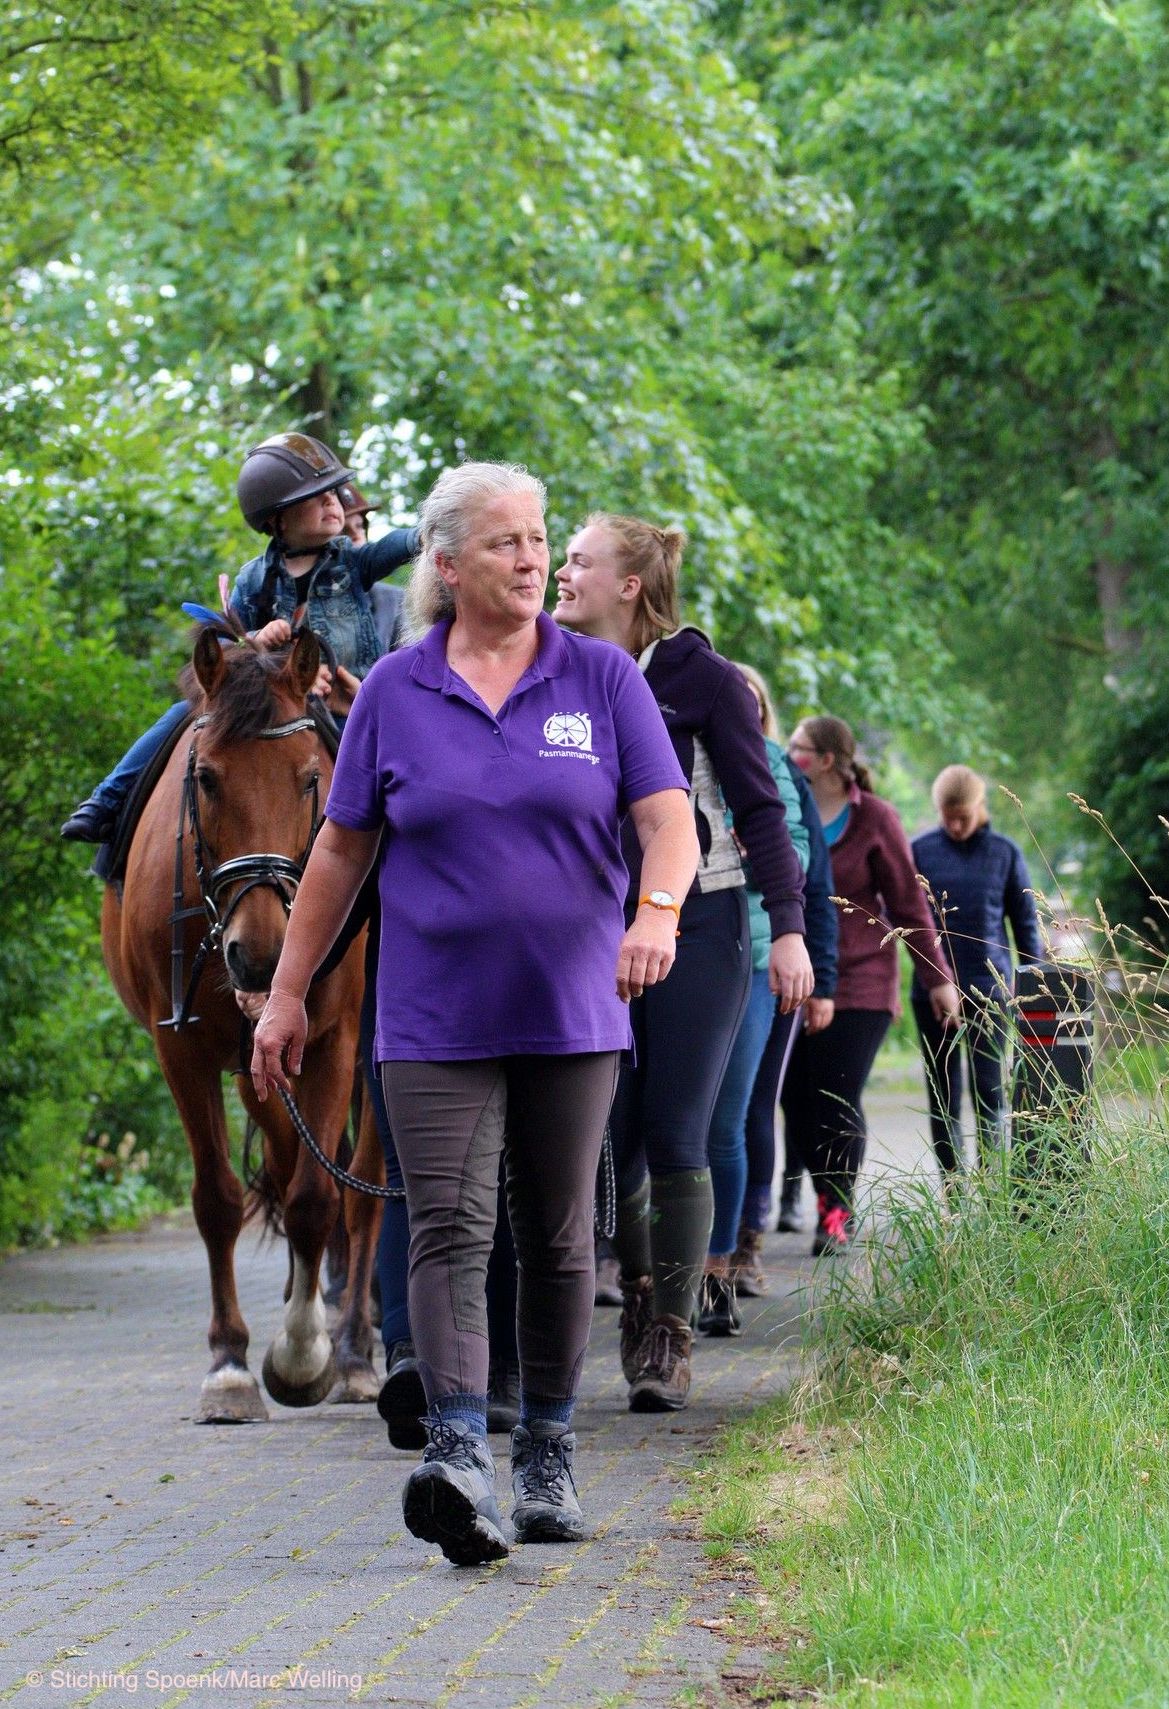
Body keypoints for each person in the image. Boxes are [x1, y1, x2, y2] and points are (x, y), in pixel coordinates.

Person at [251, 462, 698, 1566]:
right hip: (432, 1012)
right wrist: (292, 991)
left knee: (553, 1237)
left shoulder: (601, 679)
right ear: (445, 566)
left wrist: (655, 914)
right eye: (506, 542)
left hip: (573, 1007)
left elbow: (668, 820)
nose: (534, 558)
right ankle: (456, 1451)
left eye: (540, 539)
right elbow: (340, 852)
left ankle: (545, 1449)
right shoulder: (398, 690)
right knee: (450, 1227)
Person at [554, 516, 813, 1409]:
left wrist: (787, 927)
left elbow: (763, 811)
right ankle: (633, 1300)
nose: (558, 570)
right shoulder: (553, 667)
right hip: (590, 928)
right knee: (607, 1138)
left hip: (700, 927)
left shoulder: (700, 677)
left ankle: (667, 1330)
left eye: (578, 560)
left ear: (630, 584)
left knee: (677, 1130)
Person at [61, 433, 419, 841]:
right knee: (181, 715)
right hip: (276, 704)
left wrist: (432, 531)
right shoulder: (254, 578)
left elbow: (395, 546)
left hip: (347, 702)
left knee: (381, 775)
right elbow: (229, 650)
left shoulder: (354, 562)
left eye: (333, 493)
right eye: (314, 497)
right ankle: (109, 800)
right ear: (277, 519)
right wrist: (257, 639)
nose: (331, 503)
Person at [782, 715, 960, 1254]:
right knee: (796, 1097)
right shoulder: (785, 808)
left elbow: (909, 904)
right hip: (795, 975)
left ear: (829, 760)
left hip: (863, 980)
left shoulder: (875, 818)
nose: (788, 755)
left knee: (836, 1091)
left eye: (799, 748)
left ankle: (836, 1215)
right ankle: (823, 1201)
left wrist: (938, 979)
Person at [714, 665, 839, 1302]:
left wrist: (823, 978)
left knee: (751, 1109)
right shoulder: (682, 753)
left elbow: (808, 881)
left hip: (765, 960)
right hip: (691, 955)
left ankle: (744, 1242)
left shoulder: (777, 771)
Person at [698, 663, 811, 1334]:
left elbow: (791, 853)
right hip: (679, 949)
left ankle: (723, 1264)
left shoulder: (769, 761)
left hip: (755, 956)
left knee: (730, 1120)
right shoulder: (674, 742)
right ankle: (656, 1270)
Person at [912, 763, 1044, 1180]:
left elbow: (1025, 923)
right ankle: (954, 1191)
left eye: (963, 817)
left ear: (980, 806)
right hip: (934, 991)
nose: (954, 825)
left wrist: (1035, 984)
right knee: (943, 1095)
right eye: (946, 817)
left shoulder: (1004, 852)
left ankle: (991, 1190)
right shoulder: (920, 850)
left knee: (990, 1093)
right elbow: (906, 919)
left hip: (991, 990)